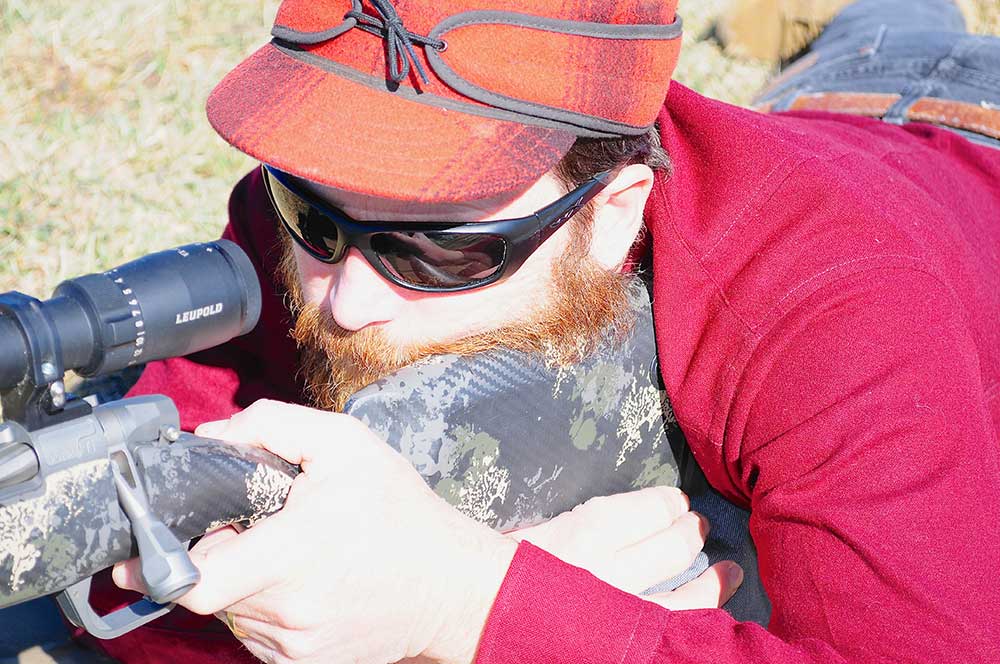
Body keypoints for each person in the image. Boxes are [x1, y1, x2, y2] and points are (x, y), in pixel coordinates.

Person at [81, 0, 1000, 662]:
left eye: (442, 251)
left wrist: (466, 605)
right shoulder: (325, 206)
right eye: (313, 219)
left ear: (613, 214)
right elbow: (113, 572)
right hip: (810, 119)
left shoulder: (839, 302)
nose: (349, 301)